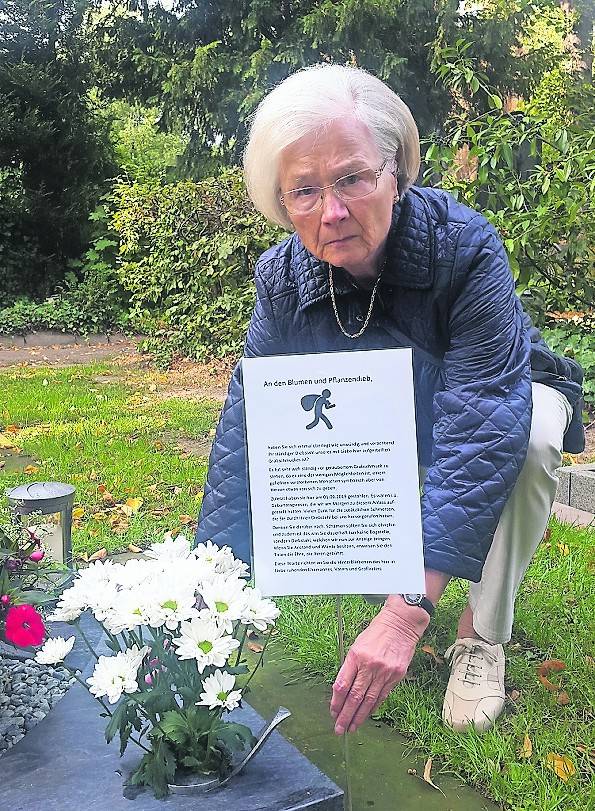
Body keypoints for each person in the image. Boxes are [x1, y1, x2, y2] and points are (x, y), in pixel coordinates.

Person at [195, 64, 585, 735]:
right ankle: (405, 577)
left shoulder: (463, 246)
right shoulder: (281, 279)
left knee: (528, 440)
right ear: (281, 202)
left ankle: (479, 636)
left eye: (351, 177)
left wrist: (407, 612)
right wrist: (209, 592)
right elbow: (249, 426)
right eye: (305, 191)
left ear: (396, 170)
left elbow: (480, 420)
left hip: (492, 395)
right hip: (400, 414)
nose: (333, 211)